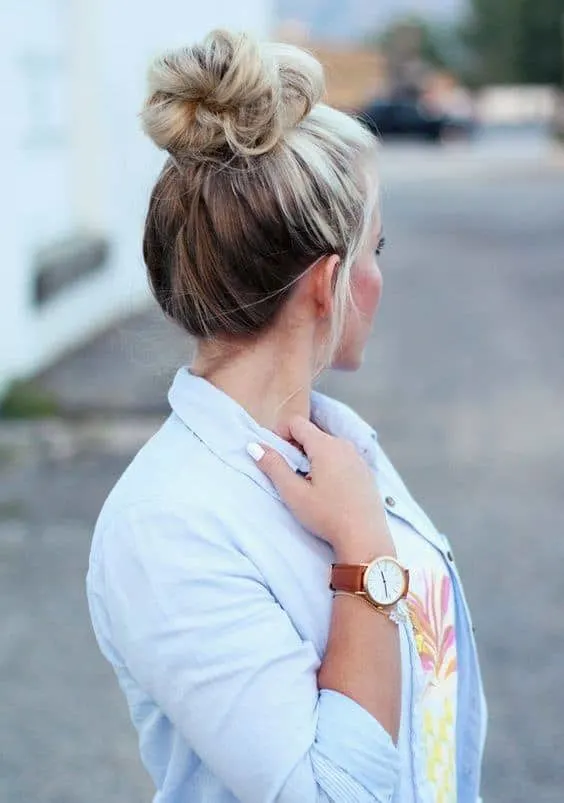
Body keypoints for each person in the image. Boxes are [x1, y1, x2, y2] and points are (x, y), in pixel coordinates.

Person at [86, 29, 487, 803]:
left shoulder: (340, 448)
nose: (379, 277)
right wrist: (364, 548)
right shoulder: (170, 524)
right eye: (375, 249)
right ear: (326, 282)